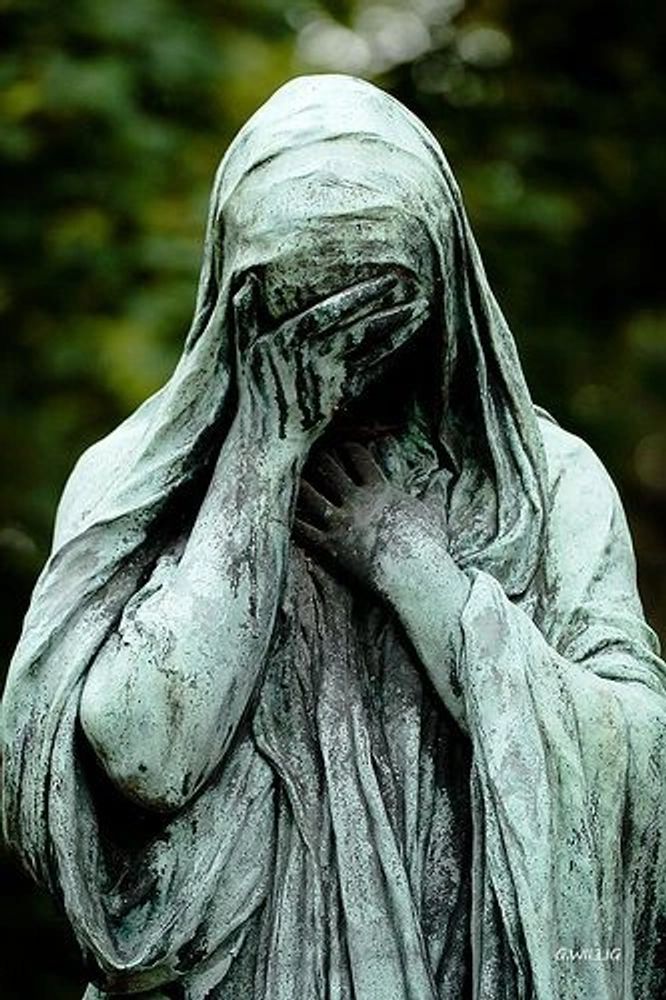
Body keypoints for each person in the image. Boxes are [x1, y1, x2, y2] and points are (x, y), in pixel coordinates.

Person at [3, 74, 666, 1000]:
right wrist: (262, 457)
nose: (344, 361)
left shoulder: (546, 488)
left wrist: (419, 572)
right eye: (303, 317)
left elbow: (637, 757)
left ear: (444, 292)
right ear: (239, 301)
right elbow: (150, 755)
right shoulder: (143, 487)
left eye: (377, 316)